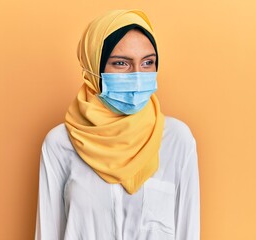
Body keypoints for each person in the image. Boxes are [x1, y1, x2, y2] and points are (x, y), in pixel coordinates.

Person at [34, 9, 200, 240]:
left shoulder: (176, 140)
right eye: (121, 63)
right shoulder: (61, 143)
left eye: (147, 62)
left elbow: (187, 231)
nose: (138, 75)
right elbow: (48, 233)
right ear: (94, 68)